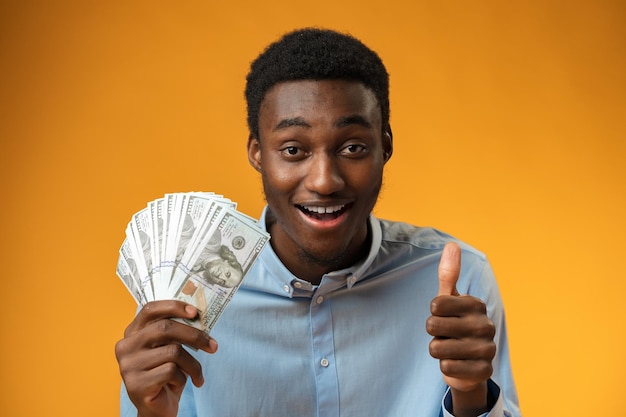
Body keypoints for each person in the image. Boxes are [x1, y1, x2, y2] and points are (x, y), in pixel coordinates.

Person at [115, 28, 520, 417]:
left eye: (353, 147)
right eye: (293, 149)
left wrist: (471, 398)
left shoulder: (459, 283)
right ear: (258, 153)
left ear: (386, 146)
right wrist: (151, 414)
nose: (324, 181)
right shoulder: (185, 294)